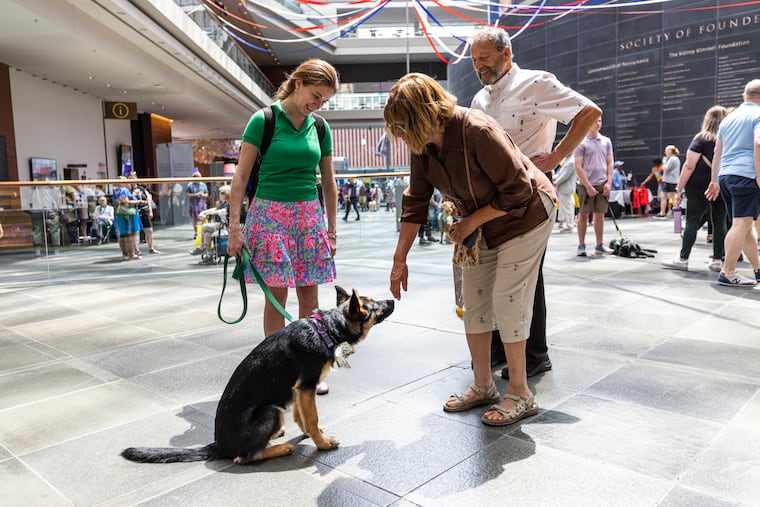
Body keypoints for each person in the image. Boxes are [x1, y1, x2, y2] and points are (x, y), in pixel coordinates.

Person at [385, 73, 557, 426]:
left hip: (527, 214)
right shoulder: (422, 147)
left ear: (420, 116)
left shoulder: (477, 130)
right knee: (476, 300)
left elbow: (519, 192)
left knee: (507, 299)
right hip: (481, 221)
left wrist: (470, 221)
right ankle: (483, 385)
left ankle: (521, 393)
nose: (398, 135)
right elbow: (416, 201)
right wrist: (399, 259)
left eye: (401, 126)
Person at [470, 27, 601, 378]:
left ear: (506, 54)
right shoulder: (480, 99)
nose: (478, 65)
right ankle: (499, 348)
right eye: (474, 59)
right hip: (490, 200)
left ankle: (535, 354)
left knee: (527, 277)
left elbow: (587, 112)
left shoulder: (536, 82)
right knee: (495, 271)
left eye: (484, 57)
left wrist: (557, 155)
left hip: (528, 196)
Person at [227, 58, 339, 394]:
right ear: (298, 82)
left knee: (310, 297)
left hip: (308, 215)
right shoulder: (263, 120)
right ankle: (276, 369)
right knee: (276, 296)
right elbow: (241, 177)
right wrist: (235, 227)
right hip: (269, 215)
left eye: (324, 101)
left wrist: (331, 230)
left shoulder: (319, 127)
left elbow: (330, 183)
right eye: (315, 95)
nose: (318, 105)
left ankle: (308, 369)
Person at [705, 79, 760, 286]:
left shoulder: (728, 119)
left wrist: (714, 181)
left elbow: (717, 152)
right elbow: (758, 143)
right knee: (741, 224)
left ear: (744, 95)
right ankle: (728, 272)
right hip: (746, 175)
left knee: (744, 225)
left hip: (725, 176)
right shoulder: (758, 115)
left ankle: (757, 269)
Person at [661, 106, 728, 273]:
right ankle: (717, 260)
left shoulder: (701, 138)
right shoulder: (729, 138)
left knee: (692, 220)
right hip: (720, 184)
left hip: (698, 186)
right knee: (720, 223)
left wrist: (679, 188)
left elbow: (689, 166)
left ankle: (683, 259)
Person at [574, 117, 614, 256]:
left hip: (602, 183)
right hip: (586, 185)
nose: (598, 123)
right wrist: (588, 186)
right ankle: (581, 245)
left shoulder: (606, 141)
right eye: (595, 121)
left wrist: (609, 183)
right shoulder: (581, 142)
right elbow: (578, 166)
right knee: (583, 214)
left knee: (600, 215)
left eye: (600, 120)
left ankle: (599, 244)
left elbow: (610, 163)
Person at [196, 185, 230, 265]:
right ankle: (209, 254)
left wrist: (209, 213)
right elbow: (216, 209)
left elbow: (222, 211)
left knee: (204, 227)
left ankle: (202, 247)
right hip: (220, 225)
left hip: (225, 226)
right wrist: (205, 212)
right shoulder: (223, 203)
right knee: (207, 234)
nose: (219, 195)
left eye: (221, 193)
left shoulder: (230, 203)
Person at [129, 172, 160, 254]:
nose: (133, 180)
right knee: (135, 231)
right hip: (135, 211)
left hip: (144, 210)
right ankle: (136, 250)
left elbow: (148, 199)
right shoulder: (128, 190)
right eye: (131, 178)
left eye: (134, 177)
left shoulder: (141, 188)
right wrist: (134, 194)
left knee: (149, 230)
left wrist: (150, 210)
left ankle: (151, 248)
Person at [113, 180, 143, 260]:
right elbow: (125, 201)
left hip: (119, 215)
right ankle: (131, 254)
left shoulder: (116, 191)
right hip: (128, 215)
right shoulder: (124, 190)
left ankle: (125, 254)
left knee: (123, 235)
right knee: (130, 234)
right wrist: (138, 201)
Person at [656, 145, 681, 218]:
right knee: (672, 197)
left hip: (668, 180)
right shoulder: (676, 159)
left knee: (664, 196)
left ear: (670, 151)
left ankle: (662, 212)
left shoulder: (672, 159)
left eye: (666, 151)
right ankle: (676, 213)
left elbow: (666, 168)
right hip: (673, 180)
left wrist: (664, 161)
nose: (665, 153)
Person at [554, 155, 577, 232]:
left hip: (566, 188)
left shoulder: (571, 162)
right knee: (567, 207)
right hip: (565, 188)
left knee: (567, 207)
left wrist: (555, 182)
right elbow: (561, 174)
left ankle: (569, 225)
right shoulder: (568, 160)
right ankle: (568, 224)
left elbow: (564, 176)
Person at [186, 170, 208, 239]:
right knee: (194, 219)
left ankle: (203, 232)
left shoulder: (203, 184)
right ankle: (196, 233)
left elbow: (207, 194)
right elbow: (187, 194)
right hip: (193, 204)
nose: (199, 179)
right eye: (198, 177)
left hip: (202, 204)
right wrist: (196, 194)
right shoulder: (190, 185)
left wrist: (203, 195)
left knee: (204, 218)